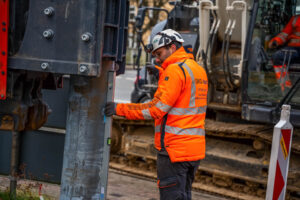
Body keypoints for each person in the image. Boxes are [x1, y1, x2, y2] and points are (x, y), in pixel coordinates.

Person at [105, 29, 208, 200]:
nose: (157, 59)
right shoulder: (197, 69)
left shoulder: (175, 71)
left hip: (173, 150)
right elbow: (183, 99)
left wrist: (118, 109)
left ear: (172, 47)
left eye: (159, 53)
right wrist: (162, 73)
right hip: (192, 149)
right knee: (184, 195)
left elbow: (155, 109)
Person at [268, 15, 300, 91]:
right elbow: (284, 34)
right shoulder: (295, 19)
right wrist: (276, 41)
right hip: (294, 49)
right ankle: (285, 87)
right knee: (277, 56)